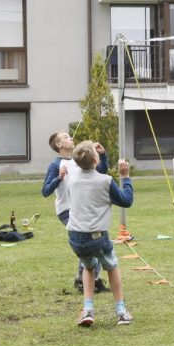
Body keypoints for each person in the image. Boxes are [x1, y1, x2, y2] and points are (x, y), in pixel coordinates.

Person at [67, 140, 133, 327]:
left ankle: (87, 309)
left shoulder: (72, 177)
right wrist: (125, 177)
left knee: (88, 266)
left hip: (75, 236)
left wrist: (101, 156)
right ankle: (121, 311)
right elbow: (126, 201)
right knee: (111, 266)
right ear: (95, 160)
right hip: (97, 236)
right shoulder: (106, 181)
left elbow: (94, 172)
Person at [42, 130, 111, 293]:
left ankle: (88, 280)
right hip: (66, 211)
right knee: (91, 242)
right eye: (66, 137)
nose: (71, 137)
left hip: (82, 208)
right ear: (59, 145)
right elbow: (45, 191)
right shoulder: (55, 165)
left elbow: (101, 172)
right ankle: (85, 280)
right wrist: (58, 178)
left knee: (94, 241)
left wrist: (103, 155)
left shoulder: (78, 160)